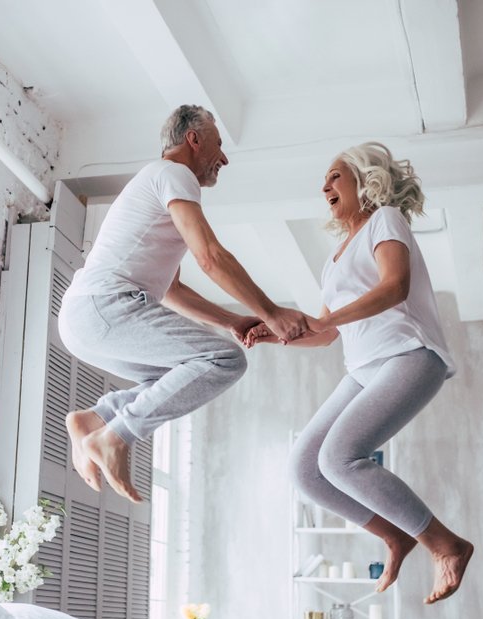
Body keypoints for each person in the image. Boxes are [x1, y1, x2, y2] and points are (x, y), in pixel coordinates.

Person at [248, 142, 473, 604]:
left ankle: (445, 544)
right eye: (324, 180)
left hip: (409, 355)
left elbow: (395, 286)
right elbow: (326, 333)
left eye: (334, 176)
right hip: (363, 368)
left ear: (363, 178)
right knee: (305, 468)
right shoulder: (333, 257)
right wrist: (275, 334)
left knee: (339, 457)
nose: (324, 186)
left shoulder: (385, 219)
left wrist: (324, 320)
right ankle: (395, 535)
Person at [58, 104, 309, 503]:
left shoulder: (155, 184)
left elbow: (172, 289)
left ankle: (97, 419)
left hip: (85, 316)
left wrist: (230, 321)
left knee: (179, 376)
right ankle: (116, 436)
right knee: (225, 360)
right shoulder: (173, 174)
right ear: (194, 139)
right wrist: (271, 313)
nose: (223, 158)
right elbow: (210, 256)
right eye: (219, 145)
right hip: (104, 306)